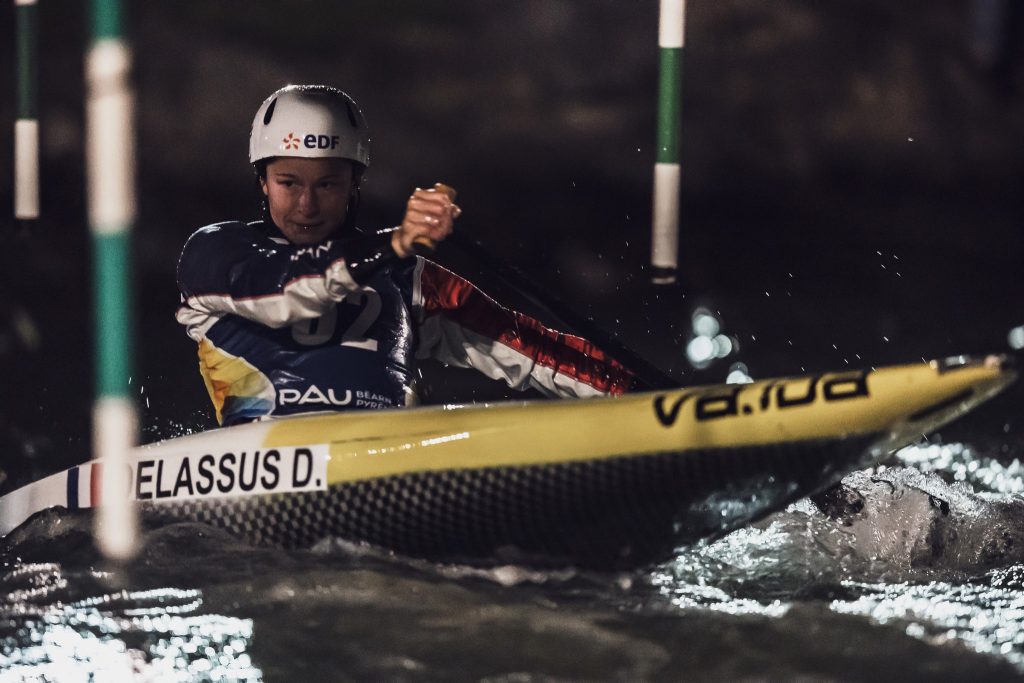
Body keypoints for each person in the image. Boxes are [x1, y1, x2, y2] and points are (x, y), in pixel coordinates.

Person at [176, 84, 633, 426]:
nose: (306, 205)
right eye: (288, 183)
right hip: (260, 461)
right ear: (262, 181)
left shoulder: (410, 278)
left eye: (328, 184)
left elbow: (532, 350)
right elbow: (287, 293)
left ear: (355, 185)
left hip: (383, 455)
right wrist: (394, 242)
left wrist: (653, 401)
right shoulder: (215, 253)